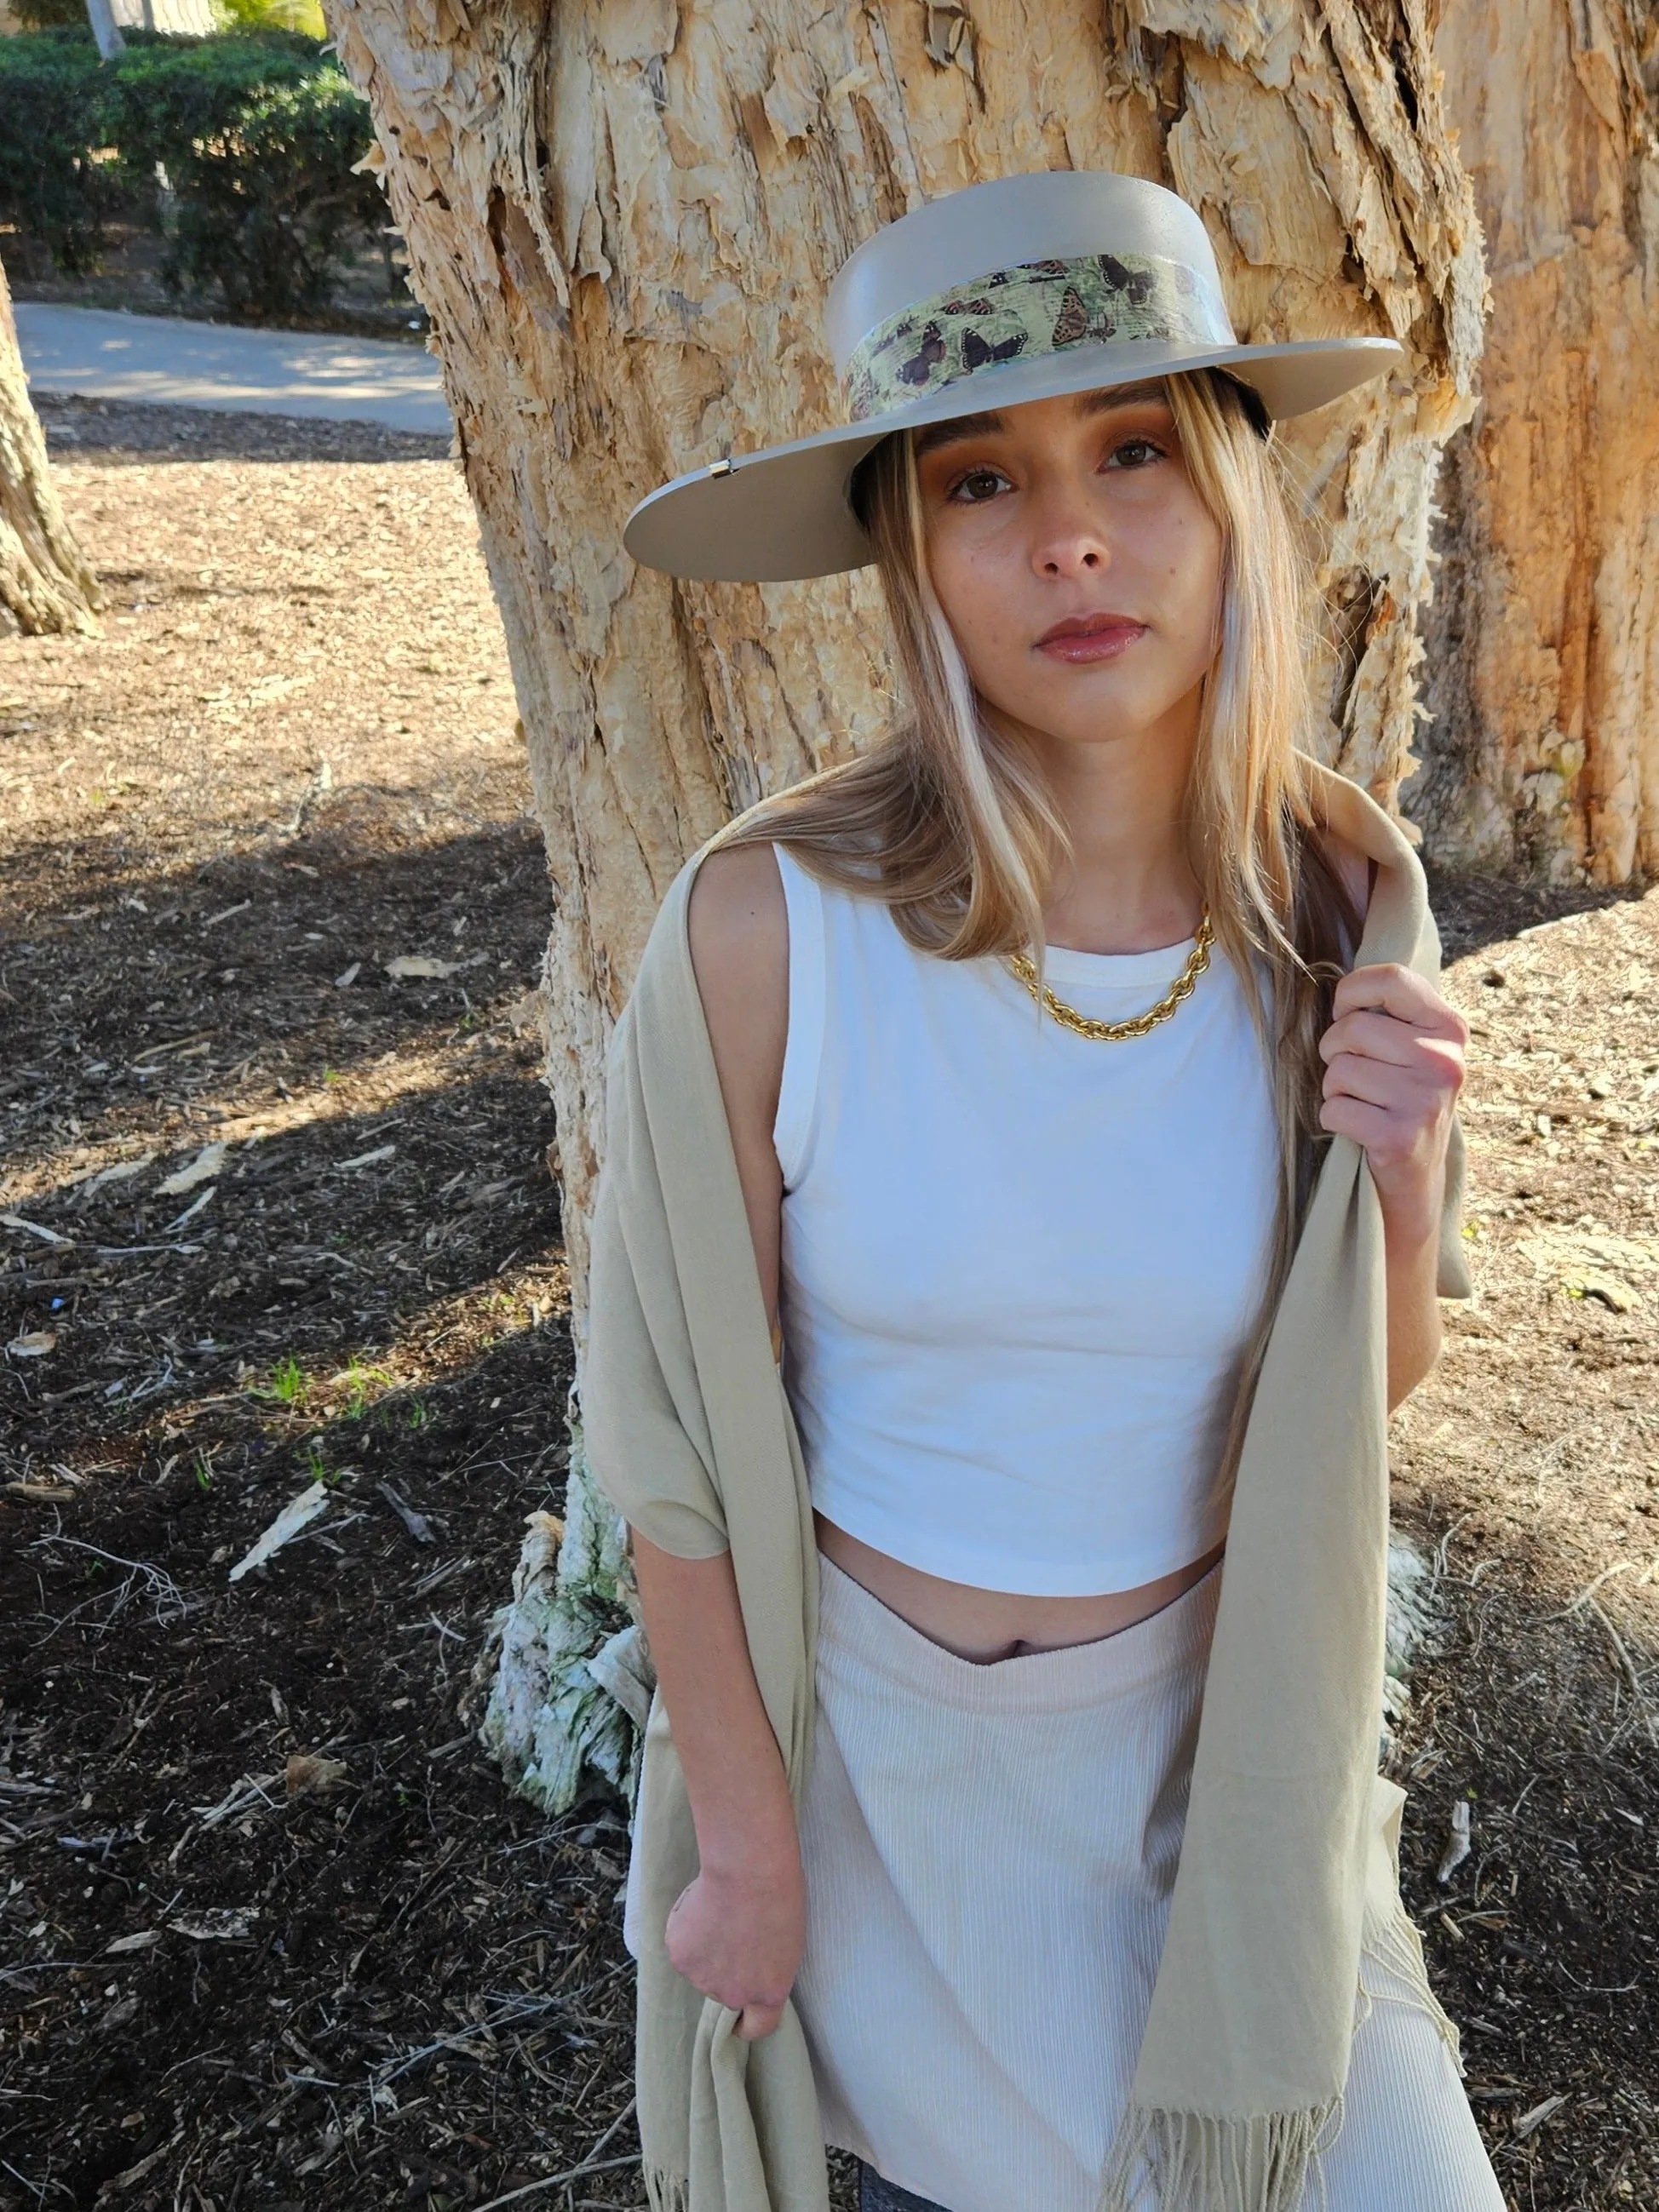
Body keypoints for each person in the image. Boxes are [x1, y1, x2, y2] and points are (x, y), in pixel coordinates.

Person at [586, 172, 1504, 2212]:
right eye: (978, 480)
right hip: (875, 1801)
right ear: (907, 557)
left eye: (1132, 453)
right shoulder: (764, 934)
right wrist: (745, 1853)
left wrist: (1399, 1175)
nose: (1070, 534)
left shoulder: (1333, 925)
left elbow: (1353, 1406)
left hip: (1213, 1768)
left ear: (1235, 502)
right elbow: (669, 1456)